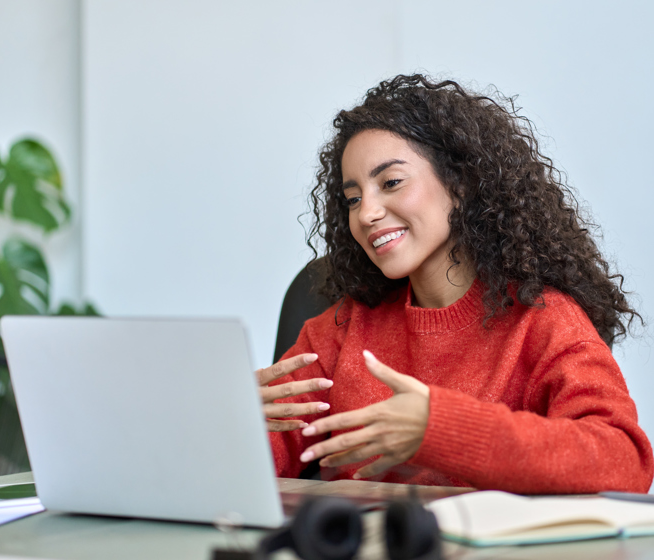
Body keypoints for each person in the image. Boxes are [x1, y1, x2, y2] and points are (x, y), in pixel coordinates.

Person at [257, 74, 653, 494]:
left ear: (460, 185)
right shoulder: (340, 328)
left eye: (391, 183)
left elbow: (623, 462)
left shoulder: (543, 321)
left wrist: (442, 428)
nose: (366, 213)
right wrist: (232, 423)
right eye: (353, 198)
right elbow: (258, 455)